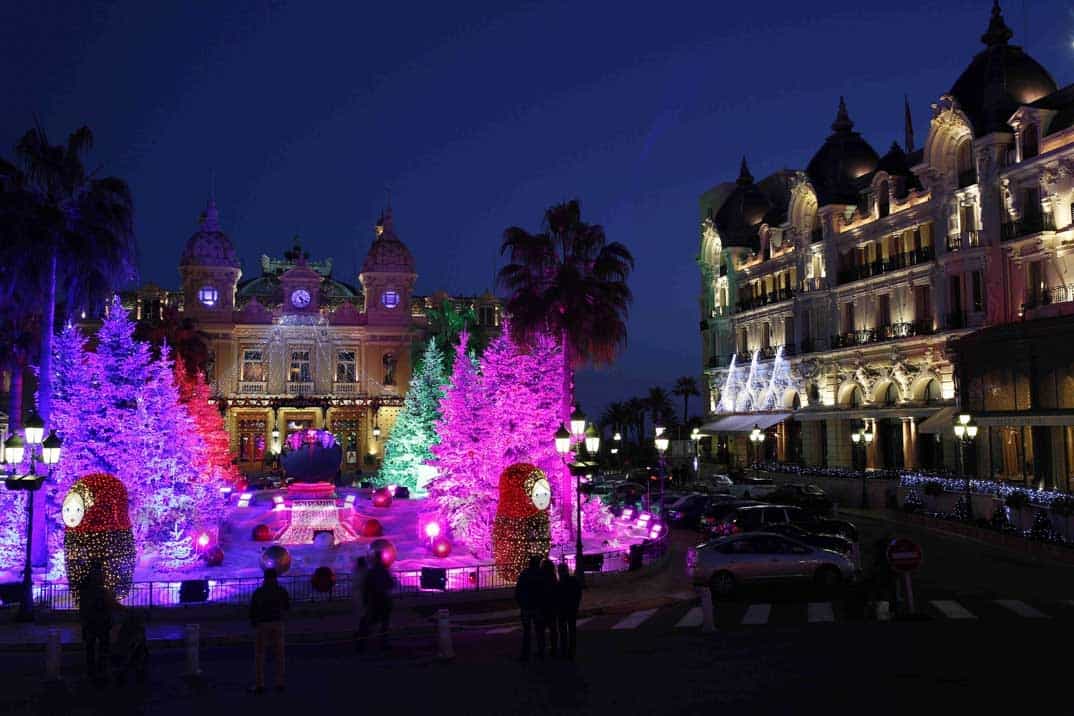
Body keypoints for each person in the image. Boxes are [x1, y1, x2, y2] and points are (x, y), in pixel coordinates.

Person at [249, 568, 290, 694]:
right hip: (277, 622)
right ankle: (280, 683)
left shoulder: (259, 592)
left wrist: (254, 622)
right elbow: (287, 606)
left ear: (265, 578)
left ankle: (260, 684)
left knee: (260, 655)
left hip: (262, 623)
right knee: (280, 654)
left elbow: (253, 609)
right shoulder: (281, 591)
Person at [78, 566, 115, 686]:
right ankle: (100, 670)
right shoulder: (98, 591)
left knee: (91, 647)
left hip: (92, 623)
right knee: (101, 647)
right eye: (101, 575)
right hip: (99, 623)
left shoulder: (86, 590)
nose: (103, 577)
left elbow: (83, 608)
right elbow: (107, 605)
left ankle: (93, 670)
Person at [357, 551, 394, 652]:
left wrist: (366, 599)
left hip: (375, 600)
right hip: (383, 600)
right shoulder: (383, 570)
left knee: (370, 621)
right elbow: (390, 583)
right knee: (383, 623)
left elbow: (366, 587)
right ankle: (382, 643)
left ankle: (362, 642)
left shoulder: (372, 572)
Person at [514, 556, 545, 662]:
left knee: (527, 632)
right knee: (539, 630)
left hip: (527, 607)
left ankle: (525, 654)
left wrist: (521, 604)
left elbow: (518, 590)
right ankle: (541, 651)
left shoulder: (524, 574)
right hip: (537, 607)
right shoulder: (541, 574)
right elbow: (544, 591)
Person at [113, 609, 149, 685]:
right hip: (132, 648)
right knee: (134, 661)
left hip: (130, 648)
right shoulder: (138, 627)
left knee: (128, 662)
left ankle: (123, 675)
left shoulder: (127, 627)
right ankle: (137, 675)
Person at [556, 562, 583, 660]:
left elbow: (556, 598)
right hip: (571, 609)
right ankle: (571, 650)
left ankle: (564, 650)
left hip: (562, 610)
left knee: (563, 630)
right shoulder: (573, 581)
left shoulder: (558, 584)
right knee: (572, 630)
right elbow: (578, 594)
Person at [538, 559, 559, 658]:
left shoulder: (540, 578)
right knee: (553, 629)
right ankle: (554, 649)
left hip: (542, 607)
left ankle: (541, 649)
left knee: (541, 630)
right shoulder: (553, 577)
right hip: (552, 607)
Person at [351, 556, 370, 651]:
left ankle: (360, 637)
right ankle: (361, 638)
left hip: (358, 597)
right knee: (364, 618)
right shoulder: (365, 573)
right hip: (364, 598)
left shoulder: (355, 572)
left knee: (361, 618)